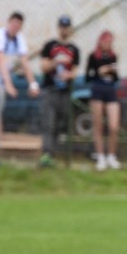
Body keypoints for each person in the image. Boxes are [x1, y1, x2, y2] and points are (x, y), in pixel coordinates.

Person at [0, 11, 39, 167]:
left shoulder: (18, 39)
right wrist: (8, 84)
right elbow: (0, 60)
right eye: (13, 23)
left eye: (18, 25)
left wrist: (33, 84)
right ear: (8, 22)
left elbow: (24, 62)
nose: (15, 27)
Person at [38, 15, 80, 168]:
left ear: (70, 29)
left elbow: (75, 71)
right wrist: (56, 62)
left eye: (67, 27)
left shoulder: (74, 49)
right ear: (58, 28)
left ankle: (53, 153)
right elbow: (43, 67)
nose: (64, 30)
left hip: (65, 91)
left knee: (60, 124)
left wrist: (68, 75)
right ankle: (46, 154)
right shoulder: (50, 46)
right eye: (62, 27)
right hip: (50, 89)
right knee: (48, 123)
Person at [86, 30, 120, 171]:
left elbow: (115, 78)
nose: (108, 44)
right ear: (100, 41)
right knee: (98, 125)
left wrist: (112, 72)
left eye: (110, 42)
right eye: (106, 41)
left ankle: (111, 156)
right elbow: (88, 77)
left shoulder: (113, 56)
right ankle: (100, 157)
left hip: (110, 90)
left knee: (113, 126)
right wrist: (99, 71)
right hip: (98, 90)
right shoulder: (93, 56)